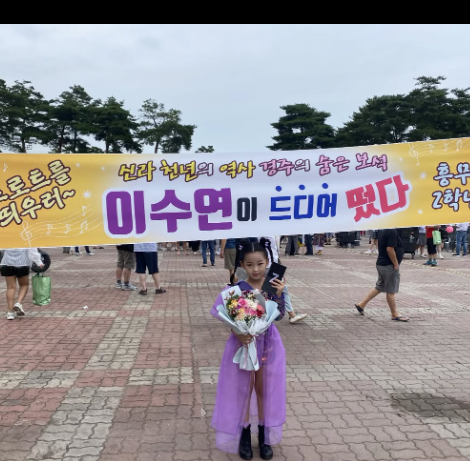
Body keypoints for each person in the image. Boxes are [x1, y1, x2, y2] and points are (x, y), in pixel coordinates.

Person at [210, 242, 286, 459]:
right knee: (243, 389)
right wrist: (239, 335)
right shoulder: (237, 289)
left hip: (268, 344)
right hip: (242, 345)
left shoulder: (273, 286)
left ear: (267, 262)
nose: (255, 269)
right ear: (242, 264)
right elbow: (232, 320)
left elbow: (279, 316)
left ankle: (264, 436)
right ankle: (244, 435)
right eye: (250, 264)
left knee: (264, 390)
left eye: (260, 264)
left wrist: (279, 295)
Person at [354, 228, 409, 322]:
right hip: (389, 265)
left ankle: (361, 304)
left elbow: (379, 244)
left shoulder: (382, 229)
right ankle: (394, 314)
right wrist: (395, 264)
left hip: (381, 263)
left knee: (379, 286)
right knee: (391, 291)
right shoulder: (392, 231)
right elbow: (390, 249)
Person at [263, 237, 307, 325]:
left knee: (281, 288)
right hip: (267, 265)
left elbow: (275, 249)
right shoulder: (262, 232)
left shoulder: (273, 233)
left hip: (273, 264)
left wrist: (278, 263)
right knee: (274, 290)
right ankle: (290, 314)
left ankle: (291, 314)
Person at [0, 248, 44, 320]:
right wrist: (39, 262)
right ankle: (18, 303)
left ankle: (10, 313)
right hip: (22, 263)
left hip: (6, 263)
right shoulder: (25, 240)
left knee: (10, 287)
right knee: (24, 285)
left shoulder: (6, 240)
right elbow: (32, 250)